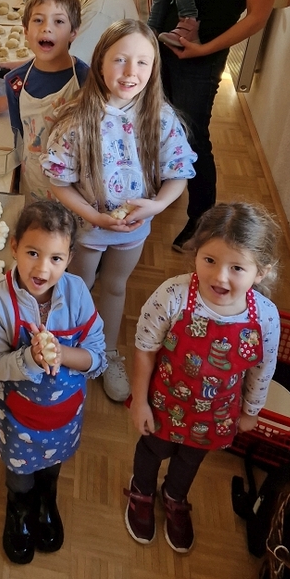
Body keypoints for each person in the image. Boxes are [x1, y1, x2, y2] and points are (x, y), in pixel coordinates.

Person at [41, 20, 196, 403]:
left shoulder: (161, 118)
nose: (131, 72)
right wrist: (93, 217)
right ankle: (69, 347)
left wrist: (157, 205)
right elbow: (59, 182)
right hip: (86, 228)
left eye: (143, 62)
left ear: (154, 68)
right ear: (100, 62)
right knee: (76, 287)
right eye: (120, 60)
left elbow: (178, 174)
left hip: (133, 231)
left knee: (114, 286)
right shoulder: (78, 119)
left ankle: (107, 353)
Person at [124, 202, 281, 554]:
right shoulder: (172, 296)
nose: (219, 277)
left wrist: (251, 411)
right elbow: (145, 349)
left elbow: (262, 368)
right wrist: (140, 402)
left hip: (216, 414)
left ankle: (174, 496)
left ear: (261, 272)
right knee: (153, 449)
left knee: (191, 459)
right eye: (209, 260)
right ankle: (142, 490)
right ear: (195, 253)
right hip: (164, 403)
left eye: (236, 267)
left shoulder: (266, 318)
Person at [157, 0, 287, 251]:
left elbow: (257, 17)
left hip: (200, 58)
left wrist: (204, 50)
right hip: (165, 45)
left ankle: (202, 221)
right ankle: (162, 187)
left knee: (194, 136)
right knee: (161, 123)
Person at [0, 200, 106, 564]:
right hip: (18, 418)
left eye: (56, 258)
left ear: (70, 259)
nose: (42, 268)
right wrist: (30, 359)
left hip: (64, 414)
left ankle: (47, 499)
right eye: (33, 253)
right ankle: (19, 506)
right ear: (14, 246)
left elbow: (97, 355)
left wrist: (62, 354)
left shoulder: (78, 294)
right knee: (20, 473)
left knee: (52, 465)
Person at [5, 0, 89, 200]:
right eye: (38, 20)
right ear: (25, 30)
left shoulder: (86, 81)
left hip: (75, 192)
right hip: (32, 185)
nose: (46, 28)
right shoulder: (15, 81)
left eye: (58, 21)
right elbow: (18, 137)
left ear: (73, 32)